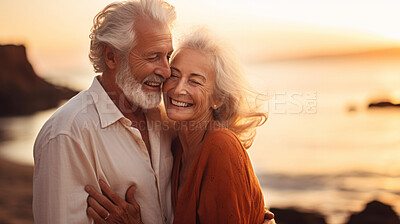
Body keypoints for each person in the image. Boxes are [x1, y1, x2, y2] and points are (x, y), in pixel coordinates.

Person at [85, 28, 274, 223]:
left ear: (217, 98)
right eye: (174, 76)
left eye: (195, 81)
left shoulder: (220, 146)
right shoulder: (176, 146)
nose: (178, 88)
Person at [33, 0, 176, 223]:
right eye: (153, 57)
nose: (166, 71)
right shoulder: (66, 135)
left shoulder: (166, 121)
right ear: (111, 57)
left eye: (167, 56)